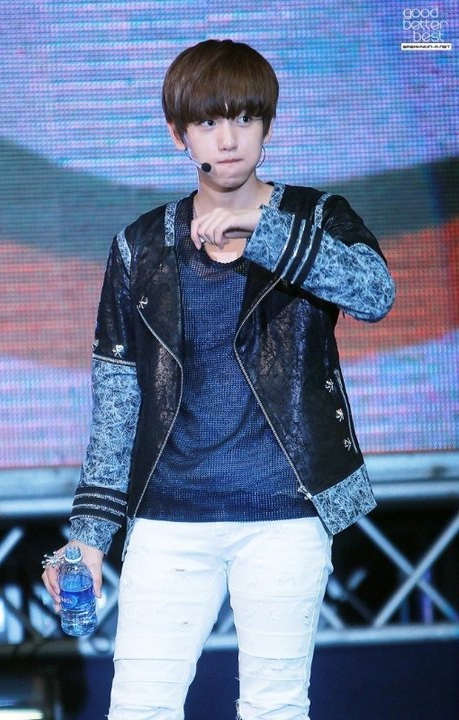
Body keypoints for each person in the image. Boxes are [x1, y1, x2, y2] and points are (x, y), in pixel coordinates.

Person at [42, 38, 395, 720]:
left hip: (287, 512)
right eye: (208, 121)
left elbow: (374, 293)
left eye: (244, 118)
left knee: (275, 707)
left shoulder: (316, 218)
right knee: (139, 707)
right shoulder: (141, 245)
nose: (228, 139)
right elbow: (118, 404)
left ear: (268, 126)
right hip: (170, 516)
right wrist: (88, 534)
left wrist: (262, 229)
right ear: (179, 134)